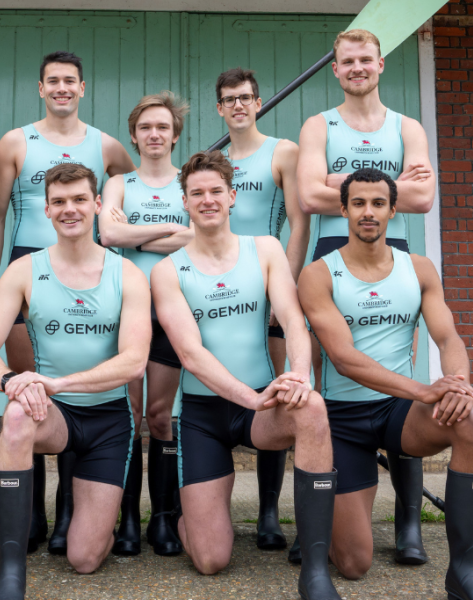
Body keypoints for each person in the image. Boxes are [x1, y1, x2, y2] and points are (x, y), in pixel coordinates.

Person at [298, 168, 473, 600]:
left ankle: (466, 574)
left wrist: (458, 383)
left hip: (399, 412)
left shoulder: (419, 268)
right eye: (357, 204)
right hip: (343, 418)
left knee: (470, 420)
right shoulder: (318, 274)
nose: (367, 213)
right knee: (354, 564)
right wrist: (427, 390)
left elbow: (448, 338)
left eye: (376, 204)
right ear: (343, 210)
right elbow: (344, 359)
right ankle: (322, 520)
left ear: (392, 210)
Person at [150, 151, 340, 600]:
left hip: (263, 404)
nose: (208, 199)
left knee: (310, 407)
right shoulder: (167, 270)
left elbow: (292, 321)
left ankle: (314, 566)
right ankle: (189, 518)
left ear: (232, 196)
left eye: (216, 191)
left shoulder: (265, 249)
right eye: (197, 193)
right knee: (211, 560)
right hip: (204, 414)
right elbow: (191, 355)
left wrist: (296, 376)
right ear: (185, 203)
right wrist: (249, 399)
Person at [0, 163, 150, 599]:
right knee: (15, 417)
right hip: (52, 414)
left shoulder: (126, 273)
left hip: (108, 421)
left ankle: (92, 518)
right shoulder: (25, 269)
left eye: (80, 200)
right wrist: (11, 380)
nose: (70, 209)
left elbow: (134, 362)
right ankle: (11, 573)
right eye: (60, 202)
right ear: (46, 210)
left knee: (84, 559)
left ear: (98, 205)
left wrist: (56, 383)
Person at [0, 51, 136, 554]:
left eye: (71, 81)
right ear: (41, 88)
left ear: (83, 88)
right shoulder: (15, 142)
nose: (62, 88)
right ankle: (31, 511)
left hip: (89, 267)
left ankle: (76, 508)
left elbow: (127, 191)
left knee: (75, 390)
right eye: (53, 81)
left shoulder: (106, 145)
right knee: (31, 397)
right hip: (32, 269)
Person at [296, 28, 435, 566]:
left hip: (391, 258)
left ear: (381, 66)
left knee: (402, 384)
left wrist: (339, 181)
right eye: (347, 61)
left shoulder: (408, 126)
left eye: (365, 60)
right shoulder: (319, 125)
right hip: (334, 254)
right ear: (336, 69)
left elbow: (423, 197)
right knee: (333, 380)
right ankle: (325, 516)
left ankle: (408, 525)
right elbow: (308, 195)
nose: (357, 68)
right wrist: (390, 181)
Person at [214, 67, 310, 552]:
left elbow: (297, 223)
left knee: (274, 397)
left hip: (268, 289)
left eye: (246, 97)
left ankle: (270, 514)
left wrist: (282, 291)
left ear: (259, 102)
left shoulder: (283, 151)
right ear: (220, 107)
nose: (238, 105)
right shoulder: (212, 161)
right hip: (224, 293)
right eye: (229, 99)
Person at [98, 91, 192, 557]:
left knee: (160, 417)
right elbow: (108, 234)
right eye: (145, 128)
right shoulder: (118, 183)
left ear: (175, 135)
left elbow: (203, 236)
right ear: (133, 135)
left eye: (163, 127)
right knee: (130, 418)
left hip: (173, 310)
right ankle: (128, 519)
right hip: (127, 311)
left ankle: (164, 518)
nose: (154, 135)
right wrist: (170, 234)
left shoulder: (190, 183)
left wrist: (138, 231)